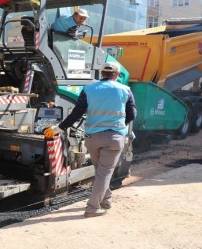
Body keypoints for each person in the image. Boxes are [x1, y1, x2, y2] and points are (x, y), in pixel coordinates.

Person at [43, 62, 136, 218]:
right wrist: (121, 125)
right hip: (114, 138)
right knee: (104, 173)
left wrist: (57, 129)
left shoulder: (89, 89)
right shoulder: (125, 90)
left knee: (101, 172)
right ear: (117, 75)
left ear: (102, 73)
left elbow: (76, 114)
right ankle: (93, 208)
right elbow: (132, 114)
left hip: (92, 138)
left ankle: (106, 200)